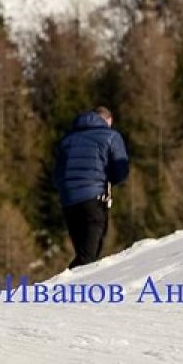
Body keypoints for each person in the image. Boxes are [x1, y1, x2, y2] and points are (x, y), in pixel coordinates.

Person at [52, 106, 129, 269]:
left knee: (83, 253)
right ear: (107, 121)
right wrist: (108, 182)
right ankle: (63, 289)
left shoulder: (67, 140)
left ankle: (70, 288)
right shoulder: (111, 136)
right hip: (93, 198)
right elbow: (121, 170)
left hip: (68, 201)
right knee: (88, 256)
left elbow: (57, 174)